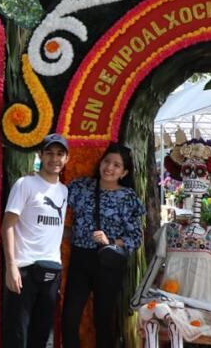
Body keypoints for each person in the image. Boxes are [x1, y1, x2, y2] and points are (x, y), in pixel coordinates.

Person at [62, 142, 146, 348]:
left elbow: (136, 237)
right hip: (80, 258)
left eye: (117, 165)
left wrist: (110, 241)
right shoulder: (80, 187)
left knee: (103, 321)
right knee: (69, 318)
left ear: (124, 172)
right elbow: (53, 203)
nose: (109, 167)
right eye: (107, 161)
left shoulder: (127, 197)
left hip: (108, 262)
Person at [2, 133, 71, 348]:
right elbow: (7, 225)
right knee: (16, 335)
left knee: (41, 336)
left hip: (52, 271)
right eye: (49, 153)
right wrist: (11, 266)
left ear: (66, 158)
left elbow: (53, 227)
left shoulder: (63, 190)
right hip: (24, 270)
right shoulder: (25, 184)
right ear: (40, 154)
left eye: (60, 154)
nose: (54, 159)